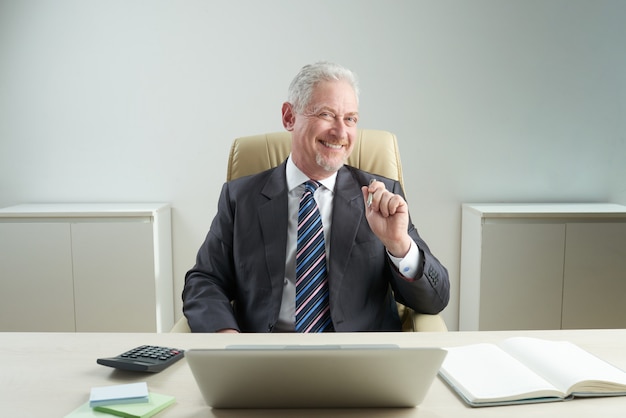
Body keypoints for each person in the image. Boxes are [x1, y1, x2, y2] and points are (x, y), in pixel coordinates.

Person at [183, 61, 449, 333]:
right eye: (326, 114)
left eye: (350, 119)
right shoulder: (241, 198)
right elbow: (205, 280)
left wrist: (399, 245)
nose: (341, 132)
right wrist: (226, 336)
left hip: (359, 362)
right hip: (266, 360)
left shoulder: (382, 196)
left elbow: (435, 299)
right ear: (289, 117)